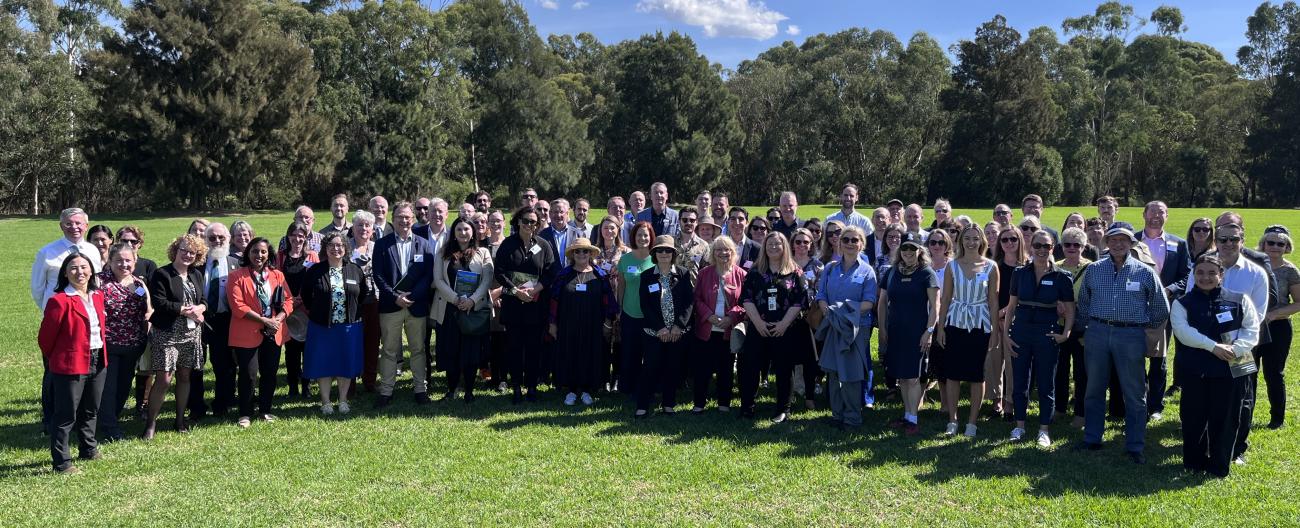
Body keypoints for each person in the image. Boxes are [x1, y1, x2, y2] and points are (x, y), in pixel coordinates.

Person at [1076, 223, 1170, 464]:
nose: (1118, 244)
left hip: (1130, 335)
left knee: (1134, 392)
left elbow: (1161, 307)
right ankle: (1092, 438)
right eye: (1113, 240)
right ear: (1106, 242)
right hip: (1097, 331)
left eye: (1123, 240)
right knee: (1094, 388)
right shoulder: (1094, 270)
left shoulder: (1144, 271)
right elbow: (1084, 302)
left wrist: (1143, 327)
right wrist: (1088, 326)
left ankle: (1135, 444)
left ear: (1131, 243)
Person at [1171, 254, 1260, 477]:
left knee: (1227, 417)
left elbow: (1252, 329)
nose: (1206, 277)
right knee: (1193, 417)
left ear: (1221, 275)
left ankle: (1220, 465)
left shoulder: (1239, 299)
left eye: (1212, 272)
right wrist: (1213, 347)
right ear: (1194, 274)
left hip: (1233, 367)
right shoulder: (1182, 303)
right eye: (1200, 272)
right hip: (1196, 369)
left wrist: (1236, 349)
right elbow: (1183, 333)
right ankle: (1194, 462)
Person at [1003, 231, 1075, 447]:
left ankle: (1044, 429)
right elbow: (1012, 305)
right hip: (1021, 331)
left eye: (1047, 246)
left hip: (1047, 332)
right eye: (1038, 246)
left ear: (1053, 248)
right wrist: (1006, 334)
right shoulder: (1019, 273)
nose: (1042, 250)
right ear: (1031, 247)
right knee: (1020, 381)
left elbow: (1070, 310)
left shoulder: (1061, 277)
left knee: (1046, 383)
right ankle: (1020, 425)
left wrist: (1066, 334)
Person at [38, 252, 107, 473]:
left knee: (91, 409)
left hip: (98, 359)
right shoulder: (59, 301)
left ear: (91, 271)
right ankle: (62, 461)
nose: (80, 272)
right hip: (71, 364)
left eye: (84, 267)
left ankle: (88, 448)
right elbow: (46, 339)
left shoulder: (97, 296)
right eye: (74, 268)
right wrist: (60, 359)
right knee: (66, 415)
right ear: (65, 273)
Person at [936, 226, 1000, 438]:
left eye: (975, 239)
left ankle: (972, 422)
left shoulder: (991, 267)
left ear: (981, 241)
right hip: (956, 322)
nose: (971, 242)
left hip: (980, 325)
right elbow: (945, 298)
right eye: (967, 239)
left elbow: (992, 301)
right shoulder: (952, 266)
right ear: (961, 241)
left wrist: (994, 331)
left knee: (976, 375)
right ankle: (952, 420)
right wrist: (941, 327)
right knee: (953, 373)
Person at [143, 234, 208, 439]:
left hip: (191, 333)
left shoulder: (196, 274)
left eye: (192, 252)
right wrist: (183, 310)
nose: (187, 255)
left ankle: (179, 420)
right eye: (184, 250)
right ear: (175, 250)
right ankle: (151, 423)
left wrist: (201, 307)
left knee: (184, 376)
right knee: (164, 379)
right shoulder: (162, 274)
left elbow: (204, 299)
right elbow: (159, 302)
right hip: (167, 333)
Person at [738, 232, 808, 423]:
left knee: (784, 369)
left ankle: (783, 409)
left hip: (784, 329)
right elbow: (746, 298)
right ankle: (747, 407)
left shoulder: (795, 272)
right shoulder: (755, 271)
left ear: (785, 247)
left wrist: (783, 324)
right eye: (770, 244)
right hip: (758, 327)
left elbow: (800, 301)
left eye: (778, 244)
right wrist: (758, 323)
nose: (774, 247)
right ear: (764, 247)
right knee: (750, 367)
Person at [815, 226, 878, 430]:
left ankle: (852, 418)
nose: (850, 243)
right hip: (833, 325)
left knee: (851, 374)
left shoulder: (867, 271)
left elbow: (869, 302)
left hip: (855, 328)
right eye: (846, 240)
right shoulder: (830, 268)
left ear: (861, 244)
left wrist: (841, 310)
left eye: (855, 240)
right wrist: (826, 309)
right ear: (840, 243)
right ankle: (837, 415)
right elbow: (821, 295)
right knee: (833, 371)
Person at [372, 202, 435, 407]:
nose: (404, 220)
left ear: (413, 219)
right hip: (391, 306)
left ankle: (420, 389)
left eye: (408, 217)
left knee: (418, 350)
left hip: (416, 306)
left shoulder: (424, 244)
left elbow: (428, 276)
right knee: (389, 350)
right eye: (400, 217)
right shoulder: (382, 244)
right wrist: (395, 296)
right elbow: (378, 275)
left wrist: (413, 295)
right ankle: (387, 390)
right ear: (394, 219)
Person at [226, 237, 293, 427]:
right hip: (247, 332)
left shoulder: (277, 275)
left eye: (263, 252)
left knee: (270, 372)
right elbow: (237, 306)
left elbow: (288, 300)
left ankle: (265, 410)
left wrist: (277, 319)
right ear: (248, 253)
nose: (259, 255)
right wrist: (264, 320)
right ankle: (245, 414)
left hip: (274, 331)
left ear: (268, 254)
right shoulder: (236, 276)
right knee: (248, 373)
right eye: (255, 251)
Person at [877, 233, 939, 435]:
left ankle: (913, 419)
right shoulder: (893, 272)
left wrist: (929, 331)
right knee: (902, 376)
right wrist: (883, 329)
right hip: (895, 332)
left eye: (913, 249)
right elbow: (882, 303)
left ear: (920, 251)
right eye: (905, 248)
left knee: (913, 377)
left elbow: (935, 306)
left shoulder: (926, 273)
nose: (908, 253)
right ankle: (907, 415)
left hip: (917, 332)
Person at [494, 206, 557, 403]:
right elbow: (500, 272)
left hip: (536, 305)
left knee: (533, 348)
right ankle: (516, 388)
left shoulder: (543, 245)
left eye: (533, 222)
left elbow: (550, 272)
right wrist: (516, 292)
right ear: (518, 222)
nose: (530, 225)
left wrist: (536, 289)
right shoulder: (507, 244)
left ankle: (531, 387)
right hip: (513, 305)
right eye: (526, 221)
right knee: (514, 348)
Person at [302, 233, 371, 414]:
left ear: (346, 248)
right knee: (323, 362)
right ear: (325, 248)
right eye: (331, 245)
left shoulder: (355, 270)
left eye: (340, 245)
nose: (336, 248)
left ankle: (343, 400)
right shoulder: (315, 271)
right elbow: (306, 296)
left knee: (345, 362)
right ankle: (325, 402)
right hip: (322, 326)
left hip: (349, 326)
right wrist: (318, 311)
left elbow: (362, 294)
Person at [1139, 201, 1192, 421]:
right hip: (1135, 308)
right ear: (1144, 214)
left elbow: (1187, 275)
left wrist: (1171, 289)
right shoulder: (1132, 240)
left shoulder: (1178, 244)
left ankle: (1155, 406)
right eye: (1152, 212)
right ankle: (1137, 400)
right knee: (1134, 357)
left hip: (1164, 308)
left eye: (1161, 212)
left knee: (1158, 359)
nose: (1156, 216)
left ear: (1167, 216)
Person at [431, 218, 493, 403]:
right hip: (449, 308)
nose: (463, 232)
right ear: (453, 232)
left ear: (473, 232)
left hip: (472, 310)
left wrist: (472, 301)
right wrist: (455, 299)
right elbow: (438, 280)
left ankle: (469, 391)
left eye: (466, 229)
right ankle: (451, 390)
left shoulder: (483, 252)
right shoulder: (443, 253)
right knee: (451, 350)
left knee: (471, 351)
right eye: (459, 229)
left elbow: (487, 280)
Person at [549, 237, 618, 406]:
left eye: (585, 251)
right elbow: (553, 301)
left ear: (590, 254)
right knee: (570, 353)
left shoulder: (600, 276)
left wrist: (608, 323)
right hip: (568, 325)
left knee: (590, 354)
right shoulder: (563, 275)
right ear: (572, 254)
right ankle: (571, 390)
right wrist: (552, 323)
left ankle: (587, 390)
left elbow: (609, 302)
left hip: (593, 325)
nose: (581, 254)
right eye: (577, 251)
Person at [95, 242, 152, 442]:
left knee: (123, 386)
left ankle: (110, 419)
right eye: (118, 260)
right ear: (110, 261)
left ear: (135, 262)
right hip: (108, 344)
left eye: (128, 260)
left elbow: (148, 310)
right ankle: (110, 427)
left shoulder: (139, 284)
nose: (124, 264)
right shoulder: (100, 282)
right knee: (108, 387)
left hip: (133, 345)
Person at [634, 235, 693, 418]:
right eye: (660, 250)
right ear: (654, 254)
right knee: (650, 368)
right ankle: (643, 405)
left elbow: (688, 303)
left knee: (672, 368)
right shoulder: (646, 276)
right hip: (654, 332)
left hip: (676, 332)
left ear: (674, 253)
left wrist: (677, 326)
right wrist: (660, 328)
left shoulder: (683, 274)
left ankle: (668, 404)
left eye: (668, 250)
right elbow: (645, 305)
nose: (664, 253)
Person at [691, 237, 747, 413]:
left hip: (728, 330)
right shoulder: (704, 273)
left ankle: (724, 403)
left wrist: (731, 317)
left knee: (726, 368)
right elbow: (696, 298)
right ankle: (699, 403)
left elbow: (746, 302)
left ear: (733, 252)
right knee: (702, 368)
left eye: (727, 250)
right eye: (718, 250)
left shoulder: (741, 275)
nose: (723, 253)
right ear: (713, 253)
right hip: (707, 329)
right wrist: (709, 316)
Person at [1258, 225, 1298, 429]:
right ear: (1263, 244)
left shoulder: (1290, 271)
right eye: (1270, 242)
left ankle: (1277, 419)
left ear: (1286, 247)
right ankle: (1241, 412)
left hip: (1278, 328)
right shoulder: (1253, 265)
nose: (1274, 246)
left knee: (1274, 373)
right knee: (1246, 371)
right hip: (1251, 328)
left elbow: (1298, 302)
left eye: (1280, 243)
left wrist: (1274, 315)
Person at [200, 223, 241, 418]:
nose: (217, 241)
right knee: (196, 364)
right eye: (212, 238)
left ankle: (222, 403)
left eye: (221, 238)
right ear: (205, 241)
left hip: (227, 319)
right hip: (201, 319)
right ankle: (196, 404)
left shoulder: (236, 264)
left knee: (224, 364)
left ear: (228, 239)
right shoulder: (197, 265)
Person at [1054, 227, 1093, 426]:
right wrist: (1057, 304)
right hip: (1059, 326)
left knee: (1081, 372)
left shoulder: (1092, 268)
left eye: (1076, 245)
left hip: (1082, 328)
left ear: (1083, 247)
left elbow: (1096, 296)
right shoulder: (1055, 266)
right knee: (1059, 370)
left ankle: (1080, 413)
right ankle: (1059, 408)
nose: (1071, 248)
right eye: (1067, 244)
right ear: (1061, 246)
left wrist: (1074, 306)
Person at [987, 225, 1026, 420]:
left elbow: (1025, 298)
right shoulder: (994, 266)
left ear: (1020, 241)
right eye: (1005, 240)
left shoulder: (1027, 267)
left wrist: (1005, 314)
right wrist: (997, 318)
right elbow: (989, 296)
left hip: (1018, 323)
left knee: (1013, 364)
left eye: (1013, 239)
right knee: (993, 362)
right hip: (995, 321)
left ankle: (1010, 403)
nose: (1009, 243)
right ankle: (996, 401)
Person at [277, 221, 321, 399]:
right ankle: (293, 386)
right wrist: (290, 300)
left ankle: (307, 386)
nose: (297, 238)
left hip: (307, 310)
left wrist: (301, 298)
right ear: (288, 237)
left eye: (301, 235)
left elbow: (317, 281)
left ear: (306, 238)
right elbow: (277, 280)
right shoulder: (280, 257)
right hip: (287, 310)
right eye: (294, 235)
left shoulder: (312, 257)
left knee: (308, 350)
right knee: (291, 352)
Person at [32, 208, 102, 310]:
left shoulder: (93, 250)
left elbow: (96, 282)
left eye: (78, 223)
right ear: (61, 226)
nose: (74, 227)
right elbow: (37, 288)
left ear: (86, 226)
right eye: (68, 223)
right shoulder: (46, 252)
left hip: (88, 309)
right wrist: (48, 308)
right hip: (57, 310)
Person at [615, 221, 655, 396]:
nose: (643, 238)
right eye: (639, 235)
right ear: (633, 237)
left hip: (651, 315)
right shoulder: (625, 259)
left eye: (646, 235)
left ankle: (647, 387)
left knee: (649, 354)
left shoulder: (656, 259)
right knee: (630, 353)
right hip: (630, 313)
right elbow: (621, 286)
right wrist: (619, 308)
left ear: (651, 237)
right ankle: (628, 388)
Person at [791, 228, 823, 409]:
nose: (802, 245)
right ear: (793, 244)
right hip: (789, 318)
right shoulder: (785, 263)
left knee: (810, 358)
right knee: (790, 357)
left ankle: (809, 395)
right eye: (798, 242)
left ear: (811, 244)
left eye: (806, 242)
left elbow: (822, 291)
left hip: (811, 317)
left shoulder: (818, 266)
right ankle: (791, 392)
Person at [349, 210, 381, 393]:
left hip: (374, 301)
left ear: (372, 229)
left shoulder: (378, 248)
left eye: (367, 225)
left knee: (372, 342)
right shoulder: (345, 247)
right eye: (359, 225)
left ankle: (369, 381)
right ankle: (350, 383)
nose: (363, 228)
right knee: (352, 343)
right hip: (352, 303)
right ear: (353, 228)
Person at [675, 206, 709, 284]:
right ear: (679, 221)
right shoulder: (670, 242)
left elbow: (706, 272)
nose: (688, 223)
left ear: (696, 222)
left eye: (692, 220)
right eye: (685, 220)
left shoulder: (704, 246)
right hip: (673, 290)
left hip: (694, 291)